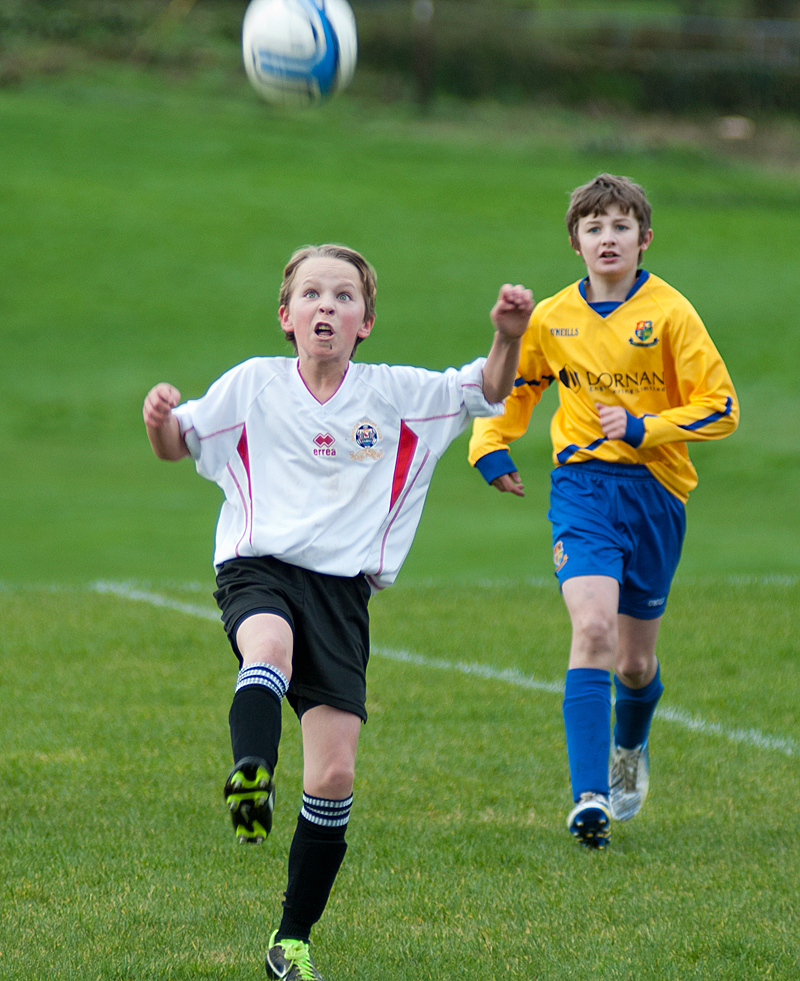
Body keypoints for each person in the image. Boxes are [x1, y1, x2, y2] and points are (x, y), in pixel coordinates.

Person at [143, 243, 532, 979]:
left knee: (333, 776)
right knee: (269, 650)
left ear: (367, 321)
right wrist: (158, 416)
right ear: (286, 316)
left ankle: (290, 939)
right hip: (257, 569)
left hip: (343, 596)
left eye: (344, 296)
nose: (328, 306)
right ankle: (251, 769)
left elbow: (486, 388)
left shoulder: (397, 395)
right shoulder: (253, 385)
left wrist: (508, 335)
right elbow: (176, 445)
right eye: (313, 295)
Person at [469, 174, 738, 850]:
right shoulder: (553, 317)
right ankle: (589, 796)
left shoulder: (671, 312)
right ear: (576, 242)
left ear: (644, 238)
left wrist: (647, 426)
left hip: (656, 493)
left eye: (621, 226)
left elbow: (722, 406)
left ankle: (628, 746)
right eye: (594, 227)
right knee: (591, 629)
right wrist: (491, 445)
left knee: (635, 666)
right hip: (583, 487)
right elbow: (512, 388)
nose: (607, 237)